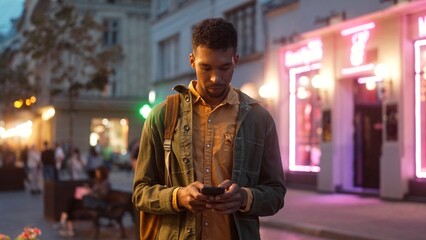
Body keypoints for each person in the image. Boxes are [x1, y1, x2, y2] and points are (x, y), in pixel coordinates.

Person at [132, 18, 286, 240]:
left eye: (225, 67)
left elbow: (276, 194)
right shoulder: (162, 116)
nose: (216, 78)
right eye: (205, 68)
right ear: (192, 61)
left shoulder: (259, 118)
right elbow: (140, 193)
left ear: (236, 60)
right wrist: (178, 197)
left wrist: (244, 197)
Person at [56, 166, 111, 237]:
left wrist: (90, 193)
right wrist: (88, 189)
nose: (97, 174)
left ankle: (64, 222)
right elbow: (94, 191)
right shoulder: (98, 181)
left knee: (71, 203)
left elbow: (102, 196)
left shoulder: (106, 183)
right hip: (91, 201)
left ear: (102, 173)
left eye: (98, 172)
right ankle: (67, 226)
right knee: (71, 203)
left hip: (97, 203)